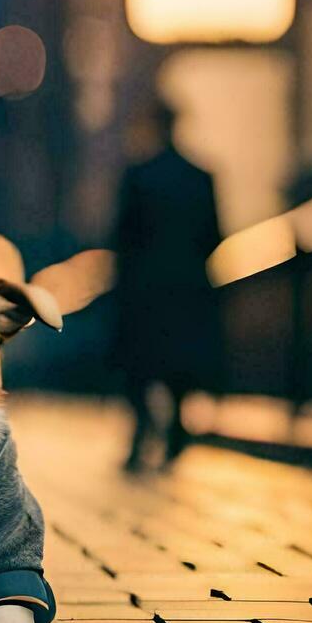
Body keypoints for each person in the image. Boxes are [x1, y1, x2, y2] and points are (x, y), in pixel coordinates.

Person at [113, 105, 222, 470]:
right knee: (181, 362)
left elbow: (122, 237)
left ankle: (142, 432)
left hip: (145, 288)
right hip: (187, 284)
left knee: (141, 364)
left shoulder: (137, 176)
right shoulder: (200, 176)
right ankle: (176, 427)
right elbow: (214, 233)